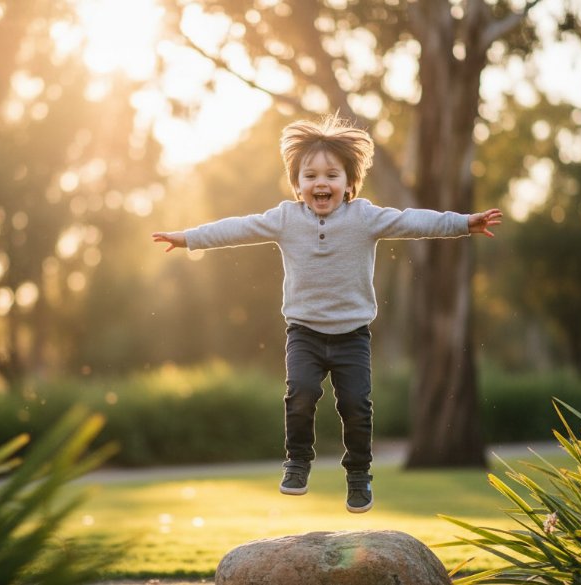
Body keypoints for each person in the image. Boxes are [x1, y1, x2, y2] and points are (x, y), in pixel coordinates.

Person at [152, 115, 502, 513]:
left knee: (356, 405)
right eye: (311, 175)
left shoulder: (364, 217)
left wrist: (462, 223)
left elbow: (411, 220)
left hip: (352, 336)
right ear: (297, 184)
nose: (321, 183)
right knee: (300, 393)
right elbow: (238, 229)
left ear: (350, 183)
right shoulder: (285, 219)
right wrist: (188, 238)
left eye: (332, 175)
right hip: (304, 333)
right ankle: (297, 462)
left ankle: (358, 475)